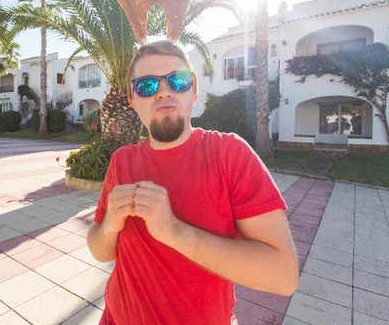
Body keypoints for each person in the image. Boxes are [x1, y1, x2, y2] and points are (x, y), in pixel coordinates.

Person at [87, 40, 299, 325]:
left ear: (195, 91)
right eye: (147, 86)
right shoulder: (122, 161)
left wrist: (175, 231)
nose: (164, 92)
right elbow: (100, 251)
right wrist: (111, 223)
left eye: (178, 80)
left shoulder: (228, 154)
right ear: (132, 100)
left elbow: (283, 277)